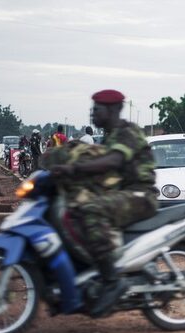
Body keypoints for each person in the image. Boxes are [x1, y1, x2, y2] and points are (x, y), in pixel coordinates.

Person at [50, 89, 159, 317]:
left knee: (93, 209)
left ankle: (112, 280)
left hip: (140, 194)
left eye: (97, 110)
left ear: (112, 110)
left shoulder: (127, 132)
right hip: (122, 192)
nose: (92, 114)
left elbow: (113, 161)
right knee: (75, 208)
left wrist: (75, 169)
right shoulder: (110, 135)